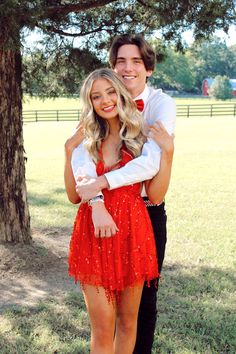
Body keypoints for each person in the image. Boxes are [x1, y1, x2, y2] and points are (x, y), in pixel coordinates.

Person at [71, 35, 176, 353]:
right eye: (120, 61)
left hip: (140, 218)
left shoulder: (156, 110)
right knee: (104, 326)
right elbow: (82, 170)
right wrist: (98, 200)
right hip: (98, 225)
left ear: (149, 68)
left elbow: (150, 168)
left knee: (137, 318)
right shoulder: (91, 132)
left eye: (136, 61)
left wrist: (101, 186)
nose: (128, 68)